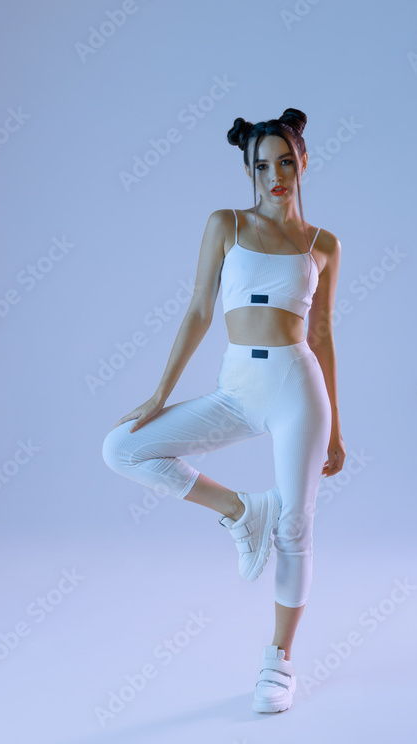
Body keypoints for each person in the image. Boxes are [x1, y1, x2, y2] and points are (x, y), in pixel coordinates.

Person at [102, 107, 345, 713]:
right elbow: (198, 311)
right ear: (248, 171)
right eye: (262, 166)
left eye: (285, 162)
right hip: (237, 388)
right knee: (123, 448)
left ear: (303, 161)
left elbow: (322, 336)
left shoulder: (323, 245)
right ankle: (241, 511)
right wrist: (160, 395)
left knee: (296, 527)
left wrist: (337, 429)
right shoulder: (226, 225)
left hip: (296, 386)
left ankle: (278, 662)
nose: (275, 176)